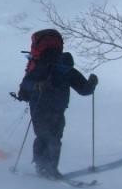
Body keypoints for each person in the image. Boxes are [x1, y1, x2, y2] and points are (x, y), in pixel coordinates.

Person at [15, 29, 98, 179]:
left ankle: (45, 168)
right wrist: (91, 83)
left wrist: (35, 87)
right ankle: (47, 169)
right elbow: (84, 90)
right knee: (51, 138)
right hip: (54, 108)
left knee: (48, 137)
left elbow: (25, 86)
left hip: (43, 107)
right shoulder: (66, 68)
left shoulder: (42, 66)